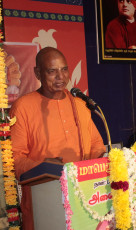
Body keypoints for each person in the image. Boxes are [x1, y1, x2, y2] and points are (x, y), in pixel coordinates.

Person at [10, 47, 106, 230]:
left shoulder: (80, 105)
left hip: (83, 198)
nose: (60, 77)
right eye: (52, 71)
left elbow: (95, 144)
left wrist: (101, 160)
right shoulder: (23, 107)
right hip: (44, 199)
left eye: (64, 69)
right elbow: (14, 160)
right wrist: (44, 166)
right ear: (37, 73)